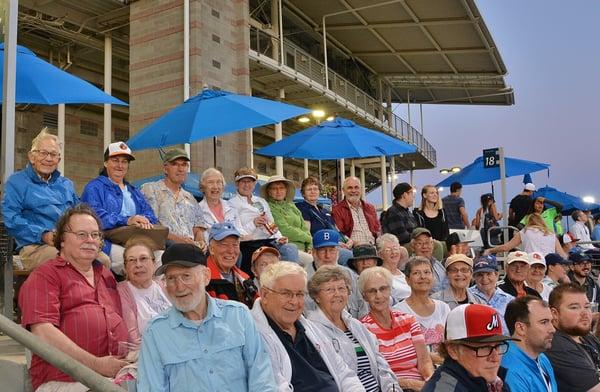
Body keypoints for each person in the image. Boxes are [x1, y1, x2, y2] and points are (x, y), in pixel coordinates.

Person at [18, 204, 129, 391]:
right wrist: (96, 364)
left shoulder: (105, 275)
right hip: (65, 379)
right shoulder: (46, 276)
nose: (90, 240)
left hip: (112, 377)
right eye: (81, 234)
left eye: (95, 235)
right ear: (61, 239)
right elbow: (43, 334)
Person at [137, 243, 277, 391]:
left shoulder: (238, 316)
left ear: (206, 277)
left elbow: (262, 378)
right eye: (171, 278)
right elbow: (151, 388)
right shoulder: (155, 332)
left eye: (186, 276)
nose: (179, 286)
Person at [250, 261, 364, 391]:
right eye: (286, 294)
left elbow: (344, 373)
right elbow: (274, 387)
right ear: (264, 294)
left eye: (299, 294)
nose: (294, 302)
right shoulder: (253, 335)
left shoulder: (310, 328)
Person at [307, 265, 401, 391]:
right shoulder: (312, 330)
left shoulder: (356, 325)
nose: (337, 294)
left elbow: (382, 366)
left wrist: (391, 389)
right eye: (329, 289)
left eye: (341, 288)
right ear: (316, 296)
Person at [1, 129, 84, 270]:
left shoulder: (67, 184)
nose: (49, 158)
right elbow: (11, 218)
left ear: (59, 159)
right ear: (31, 157)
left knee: (103, 259)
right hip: (34, 247)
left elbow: (79, 214)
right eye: (43, 153)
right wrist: (43, 234)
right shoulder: (16, 182)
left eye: (53, 154)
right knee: (64, 259)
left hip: (67, 243)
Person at [81, 141, 160, 275]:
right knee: (134, 263)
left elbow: (150, 214)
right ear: (106, 163)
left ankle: (151, 294)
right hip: (106, 241)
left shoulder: (133, 190)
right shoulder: (94, 187)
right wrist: (127, 220)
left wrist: (144, 219)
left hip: (137, 240)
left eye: (124, 162)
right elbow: (95, 218)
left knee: (161, 256)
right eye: (115, 160)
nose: (120, 165)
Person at [360, 266, 434, 390]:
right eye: (372, 291)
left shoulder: (408, 320)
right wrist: (412, 385)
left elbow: (424, 361)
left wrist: (431, 382)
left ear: (390, 290)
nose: (379, 295)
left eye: (383, 289)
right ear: (364, 296)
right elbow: (376, 375)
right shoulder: (362, 329)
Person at [423, 303, 513, 392]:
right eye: (485, 348)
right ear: (453, 350)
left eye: (498, 346)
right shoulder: (445, 388)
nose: (495, 357)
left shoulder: (495, 383)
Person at [228, 166, 303, 263]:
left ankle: (291, 276)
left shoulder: (261, 201)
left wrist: (279, 238)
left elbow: (272, 223)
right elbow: (237, 231)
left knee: (290, 248)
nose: (247, 185)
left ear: (254, 183)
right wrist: (253, 224)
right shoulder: (231, 203)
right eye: (243, 181)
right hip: (249, 244)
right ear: (237, 184)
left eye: (250, 181)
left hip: (268, 241)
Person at [140, 148, 206, 250]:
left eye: (184, 164)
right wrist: (178, 239)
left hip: (191, 249)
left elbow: (198, 229)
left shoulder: (190, 197)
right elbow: (151, 225)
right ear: (165, 168)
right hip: (165, 246)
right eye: (175, 164)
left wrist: (201, 243)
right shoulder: (151, 189)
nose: (180, 169)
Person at [394, 256, 451, 363]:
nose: (423, 277)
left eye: (427, 272)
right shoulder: (398, 312)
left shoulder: (443, 307)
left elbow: (451, 342)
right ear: (407, 280)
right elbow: (404, 351)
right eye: (416, 273)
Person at [546, 283, 600, 391]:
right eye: (574, 307)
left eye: (587, 307)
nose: (585, 313)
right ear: (554, 313)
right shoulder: (557, 345)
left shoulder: (585, 335)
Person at [117, 239, 171, 345]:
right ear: (125, 267)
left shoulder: (163, 287)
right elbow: (133, 340)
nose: (138, 265)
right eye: (132, 260)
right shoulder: (121, 292)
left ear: (154, 263)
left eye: (143, 259)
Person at [304, 229, 368, 318]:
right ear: (314, 253)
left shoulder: (349, 274)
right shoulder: (303, 279)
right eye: (323, 251)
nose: (328, 256)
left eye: (332, 250)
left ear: (338, 252)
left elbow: (363, 307)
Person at [502, 296, 558, 392]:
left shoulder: (542, 358)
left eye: (551, 322)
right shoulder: (510, 370)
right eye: (544, 322)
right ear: (521, 328)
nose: (553, 329)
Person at [295, 176, 353, 264]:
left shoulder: (324, 210)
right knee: (349, 257)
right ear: (303, 193)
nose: (312, 192)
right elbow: (307, 232)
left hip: (336, 243)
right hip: (322, 245)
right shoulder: (302, 208)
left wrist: (348, 239)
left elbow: (335, 229)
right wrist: (335, 243)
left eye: (315, 189)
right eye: (309, 189)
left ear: (319, 191)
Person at [205, 222, 257, 307]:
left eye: (235, 245)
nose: (231, 251)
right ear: (211, 249)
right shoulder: (203, 281)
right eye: (224, 245)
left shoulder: (245, 279)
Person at [262, 175, 312, 252]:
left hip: (305, 246)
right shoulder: (268, 207)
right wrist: (308, 239)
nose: (278, 191)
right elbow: (283, 230)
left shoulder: (292, 205)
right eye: (274, 188)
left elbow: (304, 227)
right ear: (268, 191)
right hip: (287, 247)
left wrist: (310, 246)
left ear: (286, 190)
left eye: (281, 188)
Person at [197, 167, 248, 242]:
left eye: (218, 182)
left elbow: (239, 230)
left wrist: (245, 236)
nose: (215, 186)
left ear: (223, 186)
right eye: (210, 182)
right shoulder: (197, 210)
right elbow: (201, 240)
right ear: (203, 187)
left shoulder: (231, 207)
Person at [468, 255, 514, 334]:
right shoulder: (467, 296)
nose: (485, 279)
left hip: (505, 344)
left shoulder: (510, 300)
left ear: (496, 275)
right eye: (480, 275)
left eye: (488, 274)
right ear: (474, 277)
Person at [485, 213, 566, 257]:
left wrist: (490, 250)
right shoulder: (551, 234)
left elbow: (506, 247)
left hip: (532, 264)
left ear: (528, 222)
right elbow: (562, 254)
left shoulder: (525, 232)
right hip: (549, 266)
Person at [333, 176, 380, 246]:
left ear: (361, 189)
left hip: (373, 246)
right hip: (354, 248)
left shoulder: (370, 208)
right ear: (343, 190)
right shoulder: (337, 209)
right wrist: (352, 242)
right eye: (350, 188)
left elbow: (377, 229)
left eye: (356, 187)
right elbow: (340, 234)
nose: (353, 191)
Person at [410, 228, 447, 293]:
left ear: (432, 245)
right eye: (420, 243)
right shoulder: (409, 267)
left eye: (427, 242)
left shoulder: (438, 264)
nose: (424, 246)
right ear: (413, 247)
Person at [377, 233, 411, 303]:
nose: (393, 252)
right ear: (381, 255)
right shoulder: (379, 276)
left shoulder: (404, 273)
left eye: (395, 249)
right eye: (388, 250)